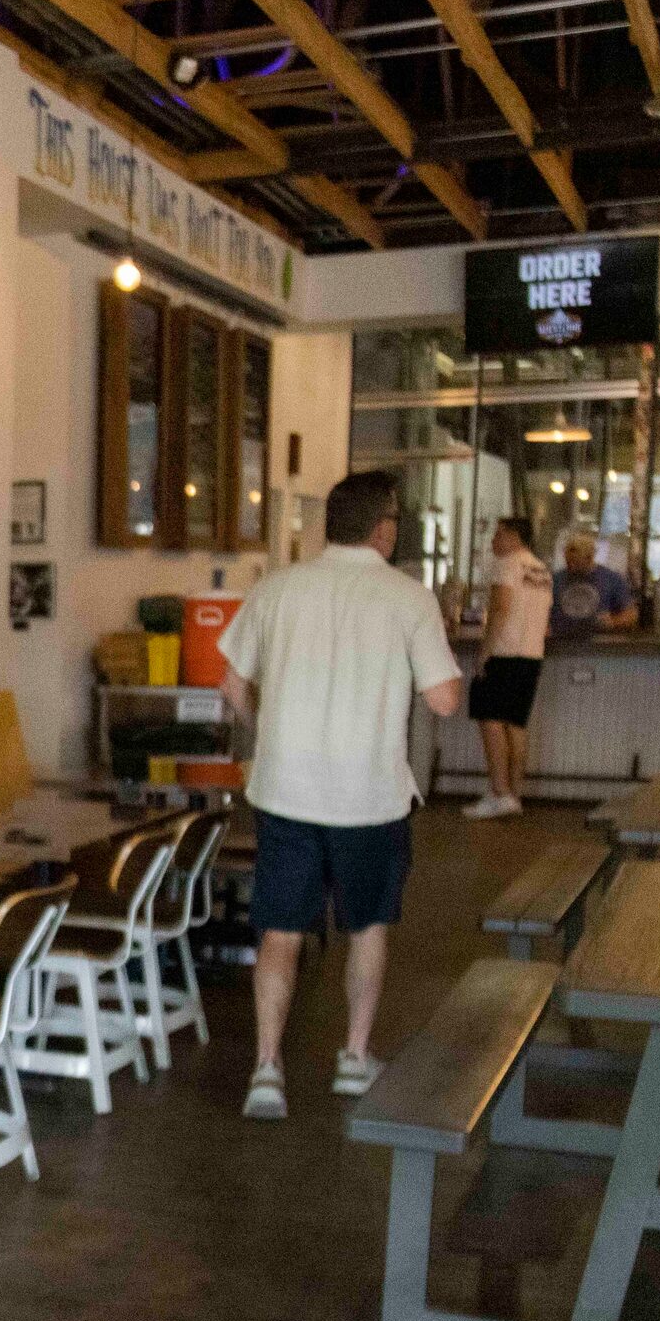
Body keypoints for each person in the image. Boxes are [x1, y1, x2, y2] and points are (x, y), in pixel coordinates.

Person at [216, 469, 464, 1121]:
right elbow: (443, 696)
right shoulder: (409, 598)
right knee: (365, 926)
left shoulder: (275, 589)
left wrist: (264, 727)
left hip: (285, 790)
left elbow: (232, 686)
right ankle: (353, 1057)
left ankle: (266, 1070)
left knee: (280, 931)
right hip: (368, 797)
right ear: (385, 528)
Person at [464, 516, 552, 820]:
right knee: (516, 724)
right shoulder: (540, 570)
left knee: (491, 721)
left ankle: (499, 793)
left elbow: (500, 611)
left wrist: (483, 654)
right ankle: (513, 793)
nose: (493, 541)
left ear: (515, 536)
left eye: (499, 535)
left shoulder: (507, 565)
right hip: (531, 655)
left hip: (503, 654)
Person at [547, 534, 638, 641]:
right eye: (568, 561)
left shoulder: (611, 579)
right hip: (561, 642)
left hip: (599, 644)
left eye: (575, 562)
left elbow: (631, 615)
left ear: (589, 558)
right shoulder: (555, 580)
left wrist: (613, 621)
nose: (571, 566)